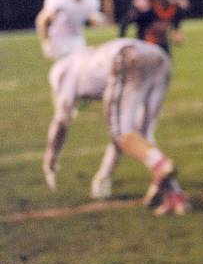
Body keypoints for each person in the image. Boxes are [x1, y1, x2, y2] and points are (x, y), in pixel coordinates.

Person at [43, 38, 188, 215]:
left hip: (127, 57)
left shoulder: (62, 71)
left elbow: (61, 121)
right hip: (158, 56)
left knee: (121, 133)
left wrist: (51, 158)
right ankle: (176, 197)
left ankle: (162, 164)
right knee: (142, 136)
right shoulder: (84, 59)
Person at [35, 0, 105, 60]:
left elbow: (95, 21)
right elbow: (42, 20)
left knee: (80, 67)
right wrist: (46, 43)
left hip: (77, 37)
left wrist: (98, 20)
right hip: (58, 38)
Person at [119, 0, 190, 54]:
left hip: (163, 44)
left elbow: (177, 16)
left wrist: (176, 30)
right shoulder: (142, 5)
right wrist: (122, 41)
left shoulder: (175, 3)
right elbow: (125, 22)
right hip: (145, 46)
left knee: (165, 65)